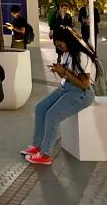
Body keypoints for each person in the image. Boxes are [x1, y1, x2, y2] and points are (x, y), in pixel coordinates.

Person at [22, 27, 96, 166]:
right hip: (67, 87)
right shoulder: (68, 53)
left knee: (52, 115)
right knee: (40, 108)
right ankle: (37, 145)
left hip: (81, 93)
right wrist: (59, 70)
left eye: (61, 45)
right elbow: (66, 74)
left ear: (68, 41)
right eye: (57, 46)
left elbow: (84, 84)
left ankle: (45, 155)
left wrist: (65, 72)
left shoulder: (81, 55)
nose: (60, 48)